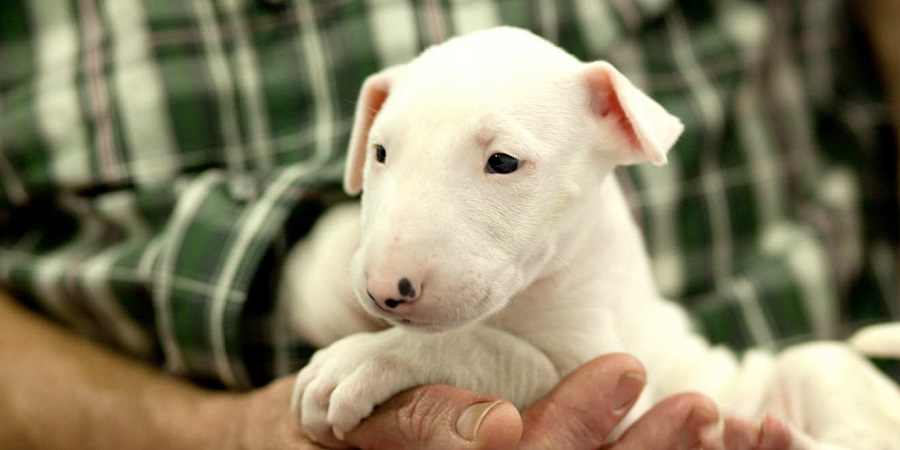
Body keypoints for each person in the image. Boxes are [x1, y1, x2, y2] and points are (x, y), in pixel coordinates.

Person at [0, 0, 895, 448]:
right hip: (173, 407)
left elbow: (571, 375)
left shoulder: (592, 122)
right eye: (381, 157)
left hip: (770, 364)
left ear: (620, 128)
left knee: (819, 380)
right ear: (367, 129)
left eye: (504, 163)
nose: (389, 264)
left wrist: (412, 357)